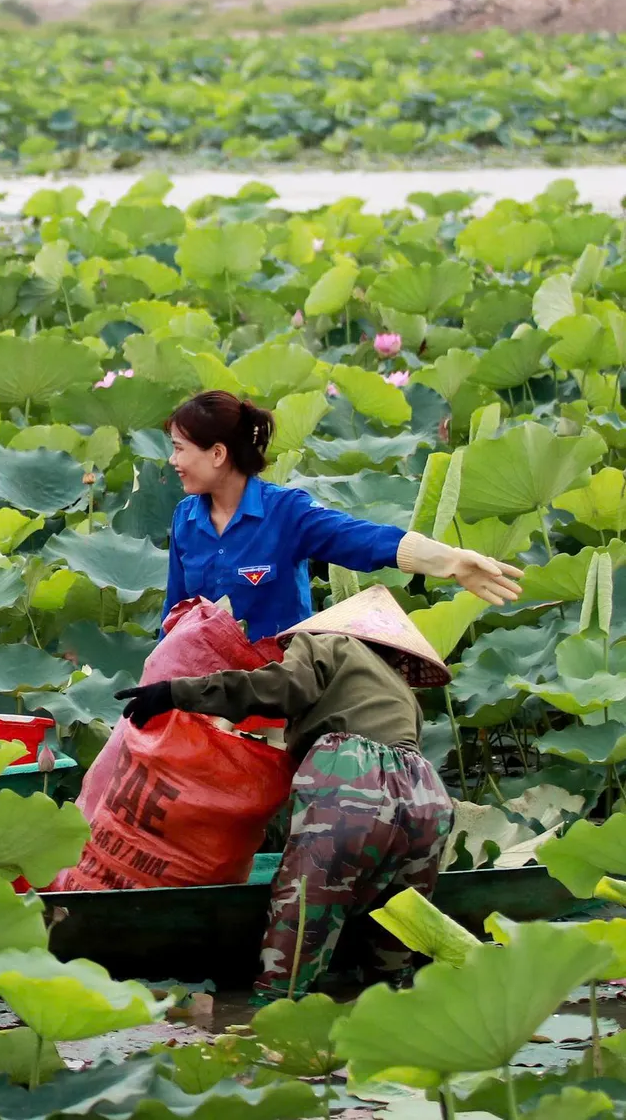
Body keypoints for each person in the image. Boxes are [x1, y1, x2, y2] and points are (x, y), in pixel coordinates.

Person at [116, 586, 455, 998]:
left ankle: (273, 1008)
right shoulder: (400, 688)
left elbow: (282, 687)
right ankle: (393, 1002)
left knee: (306, 908)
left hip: (354, 775)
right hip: (426, 794)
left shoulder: (326, 643)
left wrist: (176, 692)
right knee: (396, 923)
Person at [163, 390, 522, 639]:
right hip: (202, 690)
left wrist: (450, 561)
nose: (172, 460)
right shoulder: (185, 520)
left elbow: (364, 540)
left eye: (179, 449)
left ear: (217, 454)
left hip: (276, 688)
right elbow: (174, 617)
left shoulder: (286, 512)